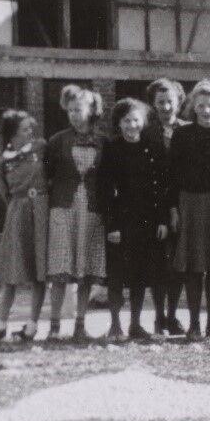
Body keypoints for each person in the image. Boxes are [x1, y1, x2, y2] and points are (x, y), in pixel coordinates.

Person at [168, 79, 210, 339]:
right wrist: (174, 209)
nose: (206, 110)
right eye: (200, 106)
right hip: (190, 202)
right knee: (194, 265)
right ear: (193, 107)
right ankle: (194, 323)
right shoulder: (182, 134)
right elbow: (172, 176)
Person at [97, 98, 169, 340]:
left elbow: (161, 189)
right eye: (126, 121)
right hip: (121, 222)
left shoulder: (153, 148)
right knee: (117, 275)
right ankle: (115, 324)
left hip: (147, 221)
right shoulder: (112, 148)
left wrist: (161, 220)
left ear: (144, 122)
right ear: (119, 123)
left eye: (136, 120)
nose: (131, 125)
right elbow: (105, 189)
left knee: (140, 274)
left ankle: (135, 324)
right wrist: (112, 225)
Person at [0, 110, 48, 342]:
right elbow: (5, 193)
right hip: (18, 212)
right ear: (12, 133)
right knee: (12, 270)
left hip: (41, 209)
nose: (30, 133)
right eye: (25, 129)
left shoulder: (40, 148)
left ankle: (32, 326)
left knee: (40, 271)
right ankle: (0, 324)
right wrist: (20, 207)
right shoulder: (1, 161)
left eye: (31, 128)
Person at [45, 85, 107, 340]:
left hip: (91, 211)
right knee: (59, 270)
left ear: (91, 110)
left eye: (78, 109)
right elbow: (47, 176)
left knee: (84, 271)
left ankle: (80, 325)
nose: (73, 114)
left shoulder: (104, 143)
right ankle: (54, 326)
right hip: (63, 209)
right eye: (69, 110)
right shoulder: (58, 141)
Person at [143, 78, 190, 335]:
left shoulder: (188, 130)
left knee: (179, 263)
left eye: (169, 101)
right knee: (158, 263)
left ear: (178, 102)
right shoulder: (146, 133)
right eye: (160, 102)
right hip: (155, 207)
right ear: (153, 104)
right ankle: (159, 316)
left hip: (184, 204)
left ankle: (172, 315)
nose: (165, 106)